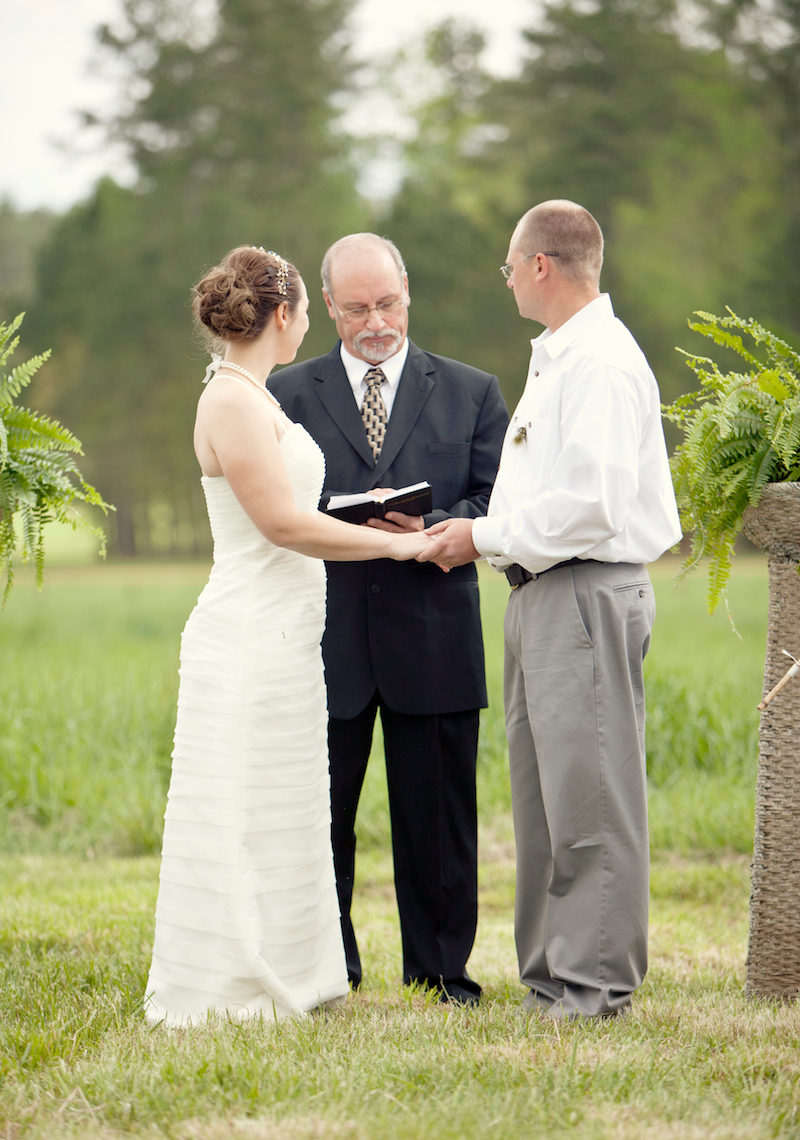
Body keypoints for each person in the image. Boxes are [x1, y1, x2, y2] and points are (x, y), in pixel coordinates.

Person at [144, 245, 431, 1027]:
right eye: (306, 309)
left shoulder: (254, 396)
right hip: (247, 636)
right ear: (284, 314)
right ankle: (231, 978)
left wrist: (364, 513)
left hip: (286, 637)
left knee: (285, 803)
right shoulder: (231, 402)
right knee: (242, 803)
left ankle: (298, 967)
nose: (307, 323)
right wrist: (396, 546)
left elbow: (289, 507)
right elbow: (279, 524)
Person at [418, 201, 681, 1019]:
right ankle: (551, 978)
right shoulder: (558, 358)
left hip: (584, 591)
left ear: (540, 265)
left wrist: (480, 535)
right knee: (545, 801)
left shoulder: (599, 362)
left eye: (509, 266)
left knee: (590, 798)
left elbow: (592, 506)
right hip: (539, 594)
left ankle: (594, 984)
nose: (506, 281)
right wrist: (479, 536)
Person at [269, 233, 508, 1005]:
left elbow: (498, 502)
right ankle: (327, 971)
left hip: (434, 635)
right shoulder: (284, 394)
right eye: (357, 309)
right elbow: (270, 507)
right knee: (319, 818)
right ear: (328, 306)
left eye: (388, 304)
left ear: (408, 293)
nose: (376, 322)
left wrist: (430, 526)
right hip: (322, 638)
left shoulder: (473, 391)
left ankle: (440, 975)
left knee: (438, 821)